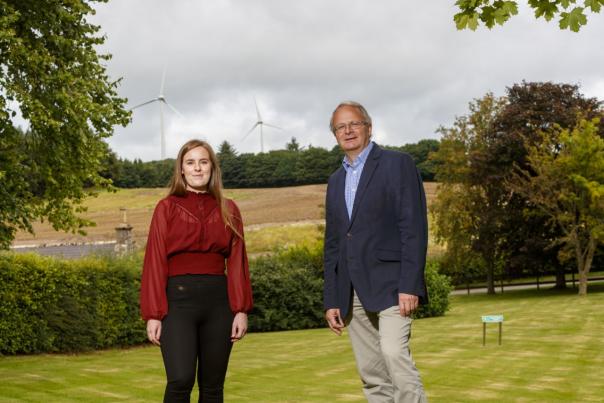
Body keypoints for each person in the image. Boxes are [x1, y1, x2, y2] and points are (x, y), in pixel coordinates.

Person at [323, 101, 429, 403]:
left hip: (394, 284)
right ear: (335, 135)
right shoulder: (335, 181)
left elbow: (414, 227)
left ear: (368, 127)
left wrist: (410, 284)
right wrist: (332, 298)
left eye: (353, 124)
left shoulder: (398, 164)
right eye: (340, 127)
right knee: (371, 373)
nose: (348, 131)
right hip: (352, 290)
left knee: (394, 353)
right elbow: (333, 243)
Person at [140, 139, 253, 403]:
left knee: (213, 386)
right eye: (190, 163)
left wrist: (240, 310)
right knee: (180, 379)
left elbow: (238, 262)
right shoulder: (166, 208)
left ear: (213, 168)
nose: (198, 168)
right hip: (177, 303)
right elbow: (154, 261)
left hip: (219, 304)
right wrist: (153, 314)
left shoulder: (230, 208)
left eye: (203, 162)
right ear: (181, 169)